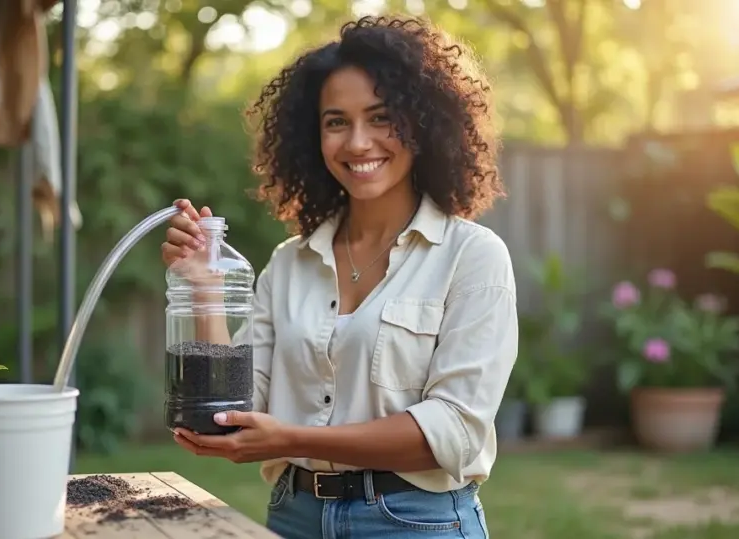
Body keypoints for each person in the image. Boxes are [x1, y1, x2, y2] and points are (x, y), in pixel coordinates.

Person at [160, 14, 517, 539]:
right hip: (294, 516)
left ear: (422, 123)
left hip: (416, 522)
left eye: (381, 117)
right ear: (313, 135)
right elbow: (236, 411)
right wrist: (207, 288)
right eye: (335, 121)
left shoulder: (472, 257)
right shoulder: (288, 265)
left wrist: (290, 439)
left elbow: (453, 431)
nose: (357, 142)